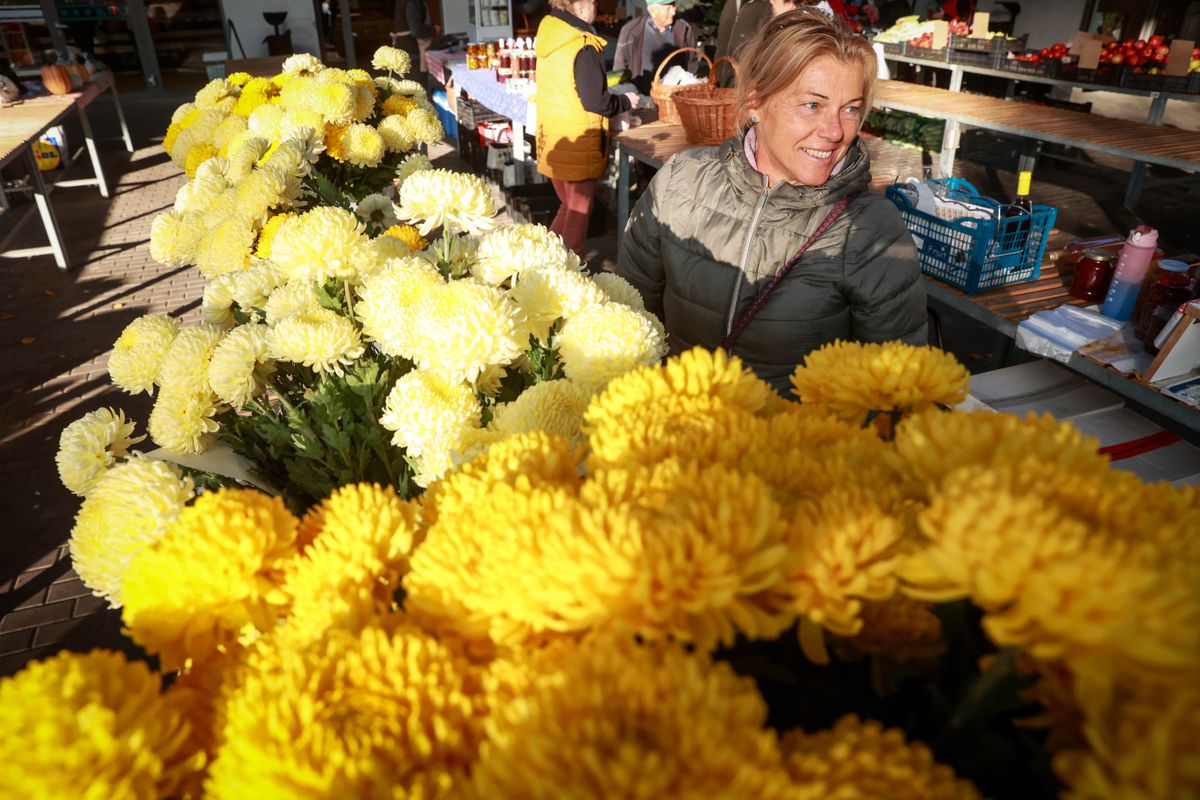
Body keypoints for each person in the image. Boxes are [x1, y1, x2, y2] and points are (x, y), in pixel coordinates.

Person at [617, 8, 926, 394]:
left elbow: (894, 392)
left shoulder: (871, 231)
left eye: (850, 109)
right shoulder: (680, 182)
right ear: (755, 103)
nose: (835, 131)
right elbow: (624, 319)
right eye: (812, 104)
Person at [536, 0, 640, 255]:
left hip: (554, 139)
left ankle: (541, 261)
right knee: (578, 214)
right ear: (579, 5)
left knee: (568, 205)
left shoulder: (551, 32)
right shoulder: (582, 45)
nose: (597, 6)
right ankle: (566, 276)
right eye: (593, 1)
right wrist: (627, 100)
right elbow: (597, 101)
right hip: (578, 144)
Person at [613, 0, 700, 95]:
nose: (673, 12)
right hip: (641, 103)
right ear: (653, 11)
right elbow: (619, 71)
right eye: (668, 8)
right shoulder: (630, 31)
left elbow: (692, 63)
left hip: (673, 102)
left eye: (673, 6)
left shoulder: (684, 29)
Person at [714, 0, 771, 86]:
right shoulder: (731, 3)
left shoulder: (768, 6)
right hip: (718, 87)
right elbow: (722, 44)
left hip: (745, 89)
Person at [393, 0, 441, 79]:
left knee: (407, 86)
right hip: (412, 52)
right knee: (417, 86)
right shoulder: (413, 2)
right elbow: (416, 30)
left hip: (405, 50)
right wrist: (433, 30)